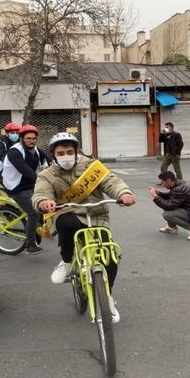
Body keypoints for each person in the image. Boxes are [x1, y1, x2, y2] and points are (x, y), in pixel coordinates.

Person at [32, 132, 137, 323]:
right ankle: (66, 261)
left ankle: (107, 297)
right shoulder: (47, 175)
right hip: (68, 212)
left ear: (76, 151)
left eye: (69, 151)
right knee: (67, 223)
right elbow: (40, 193)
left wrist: (124, 193)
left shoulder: (91, 167)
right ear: (54, 155)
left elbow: (111, 181)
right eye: (61, 153)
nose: (66, 156)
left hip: (96, 214)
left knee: (109, 256)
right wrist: (44, 201)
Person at [2, 124, 49, 255]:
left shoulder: (37, 150)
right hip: (17, 186)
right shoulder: (14, 152)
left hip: (30, 183)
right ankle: (30, 244)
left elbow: (50, 161)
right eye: (28, 138)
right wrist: (44, 181)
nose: (31, 140)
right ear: (21, 139)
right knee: (33, 212)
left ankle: (37, 228)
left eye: (34, 138)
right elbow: (26, 171)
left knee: (47, 201)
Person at [147, 171, 190, 241]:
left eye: (162, 182)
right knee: (166, 206)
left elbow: (169, 206)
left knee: (167, 214)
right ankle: (172, 227)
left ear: (168, 181)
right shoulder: (178, 184)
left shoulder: (179, 189)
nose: (162, 184)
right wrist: (158, 193)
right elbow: (170, 197)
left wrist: (155, 196)